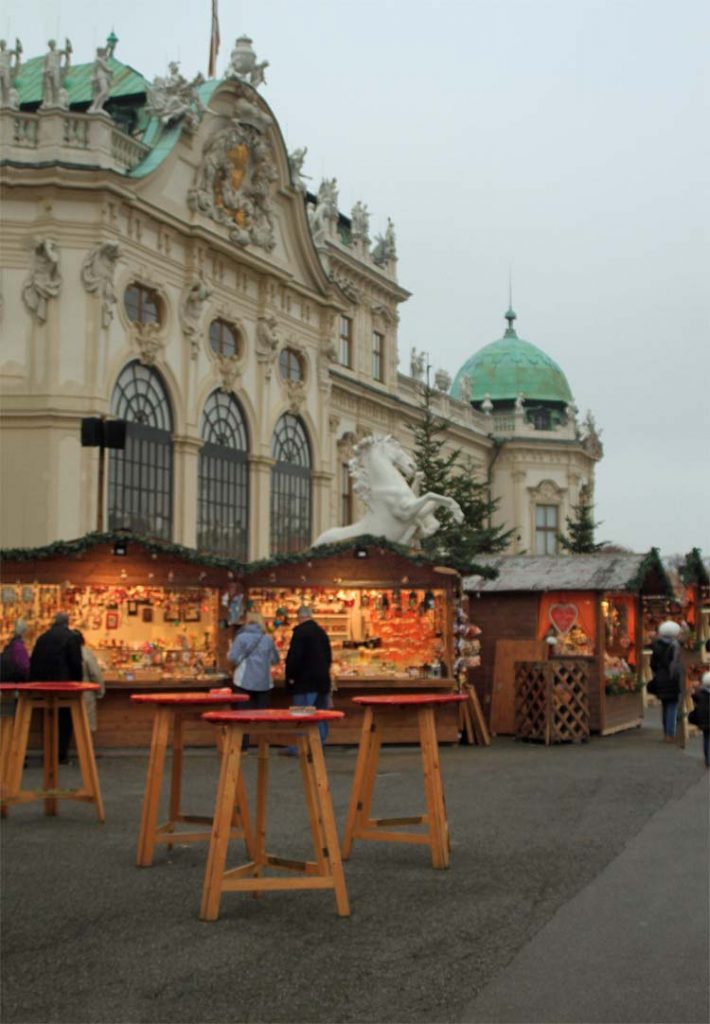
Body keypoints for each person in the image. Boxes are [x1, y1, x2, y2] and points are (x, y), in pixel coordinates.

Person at [29, 612, 82, 763]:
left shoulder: (42, 638)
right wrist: (77, 683)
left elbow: (34, 661)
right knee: (64, 722)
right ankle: (60, 755)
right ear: (68, 622)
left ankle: (48, 752)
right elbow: (76, 664)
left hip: (43, 688)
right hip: (64, 687)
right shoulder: (71, 638)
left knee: (48, 720)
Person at [228, 611, 279, 750]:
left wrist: (239, 659)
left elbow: (232, 658)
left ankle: (243, 746)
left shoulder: (241, 638)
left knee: (243, 715)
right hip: (264, 682)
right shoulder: (267, 639)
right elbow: (275, 659)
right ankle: (263, 745)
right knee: (263, 716)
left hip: (244, 681)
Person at [284, 606, 332, 751]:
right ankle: (320, 743)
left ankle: (302, 746)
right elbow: (328, 657)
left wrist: (291, 676)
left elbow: (294, 658)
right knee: (320, 714)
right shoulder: (321, 633)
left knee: (303, 713)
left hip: (304, 682)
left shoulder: (300, 633)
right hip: (322, 680)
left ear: (299, 616)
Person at [649, 620, 684, 742]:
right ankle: (670, 733)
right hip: (671, 677)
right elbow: (677, 664)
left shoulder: (656, 645)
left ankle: (666, 732)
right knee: (672, 706)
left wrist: (658, 672)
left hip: (660, 677)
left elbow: (652, 664)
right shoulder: (676, 646)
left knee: (664, 705)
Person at [74, 630, 105, 733]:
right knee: (86, 726)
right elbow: (95, 674)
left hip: (67, 693)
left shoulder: (62, 652)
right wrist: (100, 691)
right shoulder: (86, 653)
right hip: (85, 692)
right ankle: (86, 748)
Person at [688, 671, 710, 768]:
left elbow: (694, 698)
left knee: (706, 738)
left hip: (703, 720)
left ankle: (707, 758)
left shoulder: (700, 694)